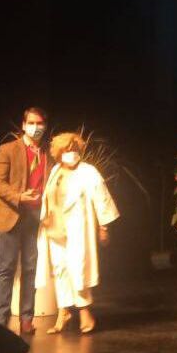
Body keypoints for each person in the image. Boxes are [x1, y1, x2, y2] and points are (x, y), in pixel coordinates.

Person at [36, 131, 119, 334]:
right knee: (60, 269)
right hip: (55, 229)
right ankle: (63, 312)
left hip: (77, 229)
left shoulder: (88, 172)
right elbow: (48, 198)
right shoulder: (55, 171)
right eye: (67, 150)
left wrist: (104, 227)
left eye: (74, 149)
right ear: (58, 153)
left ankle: (84, 311)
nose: (71, 153)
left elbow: (102, 198)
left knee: (78, 269)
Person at [0, 107, 48, 335]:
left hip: (36, 217)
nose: (36, 127)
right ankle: (0, 321)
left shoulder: (48, 152)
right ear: (24, 125)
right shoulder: (8, 149)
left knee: (31, 269)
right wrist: (19, 197)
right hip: (12, 215)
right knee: (6, 269)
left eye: (40, 123)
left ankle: (26, 319)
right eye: (31, 123)